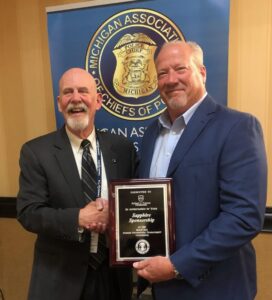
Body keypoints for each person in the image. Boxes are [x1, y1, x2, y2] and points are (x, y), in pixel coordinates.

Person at [133, 41, 267, 300]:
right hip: (161, 288)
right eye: (162, 73)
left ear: (202, 72)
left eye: (180, 69)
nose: (171, 79)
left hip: (215, 289)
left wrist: (176, 266)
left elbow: (244, 217)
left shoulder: (237, 127)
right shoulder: (151, 133)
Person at [17, 68, 136, 300]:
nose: (76, 98)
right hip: (61, 279)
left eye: (83, 91)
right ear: (60, 103)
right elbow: (28, 213)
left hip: (114, 276)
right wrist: (79, 218)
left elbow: (136, 200)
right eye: (68, 92)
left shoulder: (122, 149)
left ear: (98, 101)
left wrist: (117, 213)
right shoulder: (36, 152)